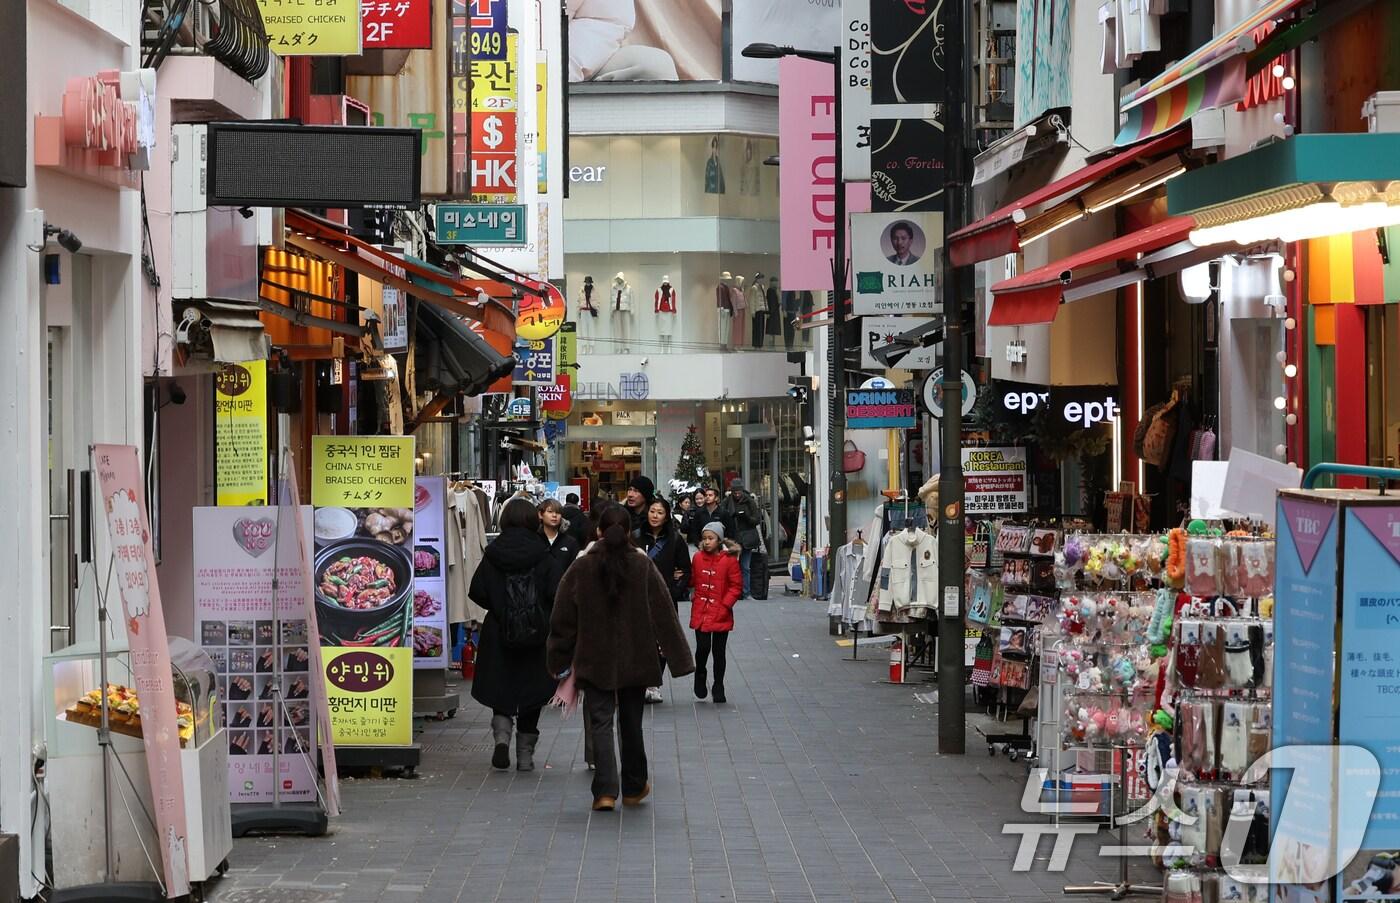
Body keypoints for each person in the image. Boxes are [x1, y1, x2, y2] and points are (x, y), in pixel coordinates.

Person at [548, 504, 694, 812]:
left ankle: (604, 791)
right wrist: (680, 659)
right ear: (629, 532)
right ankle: (633, 785)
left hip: (593, 656)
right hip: (637, 656)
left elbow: (562, 617)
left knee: (600, 722)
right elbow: (664, 613)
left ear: (598, 530)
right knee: (631, 723)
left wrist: (557, 658)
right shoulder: (642, 566)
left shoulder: (581, 566)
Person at [469, 498, 566, 773]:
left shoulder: (493, 553)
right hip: (536, 634)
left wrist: (501, 607)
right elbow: (556, 591)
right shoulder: (543, 554)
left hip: (498, 632)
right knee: (532, 691)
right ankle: (525, 755)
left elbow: (477, 590)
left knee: (501, 685)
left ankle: (501, 737)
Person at [634, 497, 691, 704]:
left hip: (665, 599)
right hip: (638, 598)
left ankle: (654, 683)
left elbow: (685, 569)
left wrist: (675, 591)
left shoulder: (675, 540)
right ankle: (641, 682)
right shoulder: (636, 537)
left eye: (659, 512)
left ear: (666, 516)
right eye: (652, 511)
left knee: (663, 642)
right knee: (640, 640)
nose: (655, 516)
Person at [689, 522, 743, 704]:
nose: (706, 542)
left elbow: (736, 586)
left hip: (721, 612)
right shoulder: (697, 558)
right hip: (701, 611)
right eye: (704, 538)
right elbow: (693, 579)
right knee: (702, 648)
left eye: (710, 538)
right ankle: (700, 673)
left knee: (719, 652)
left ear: (719, 540)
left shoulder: (729, 560)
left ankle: (719, 684)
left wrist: (725, 605)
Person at [718, 479, 764, 598]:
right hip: (733, 539)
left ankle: (746, 592)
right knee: (731, 567)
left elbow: (757, 520)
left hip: (746, 539)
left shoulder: (749, 501)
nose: (737, 494)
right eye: (735, 492)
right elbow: (721, 516)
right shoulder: (727, 502)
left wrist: (746, 517)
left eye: (739, 492)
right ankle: (733, 592)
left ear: (742, 490)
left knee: (745, 567)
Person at [538, 498, 579, 569]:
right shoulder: (534, 539)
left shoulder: (570, 542)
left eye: (558, 512)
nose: (554, 515)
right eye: (550, 511)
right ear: (541, 515)